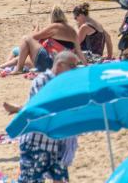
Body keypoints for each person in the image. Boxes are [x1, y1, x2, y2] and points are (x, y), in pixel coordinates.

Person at [12, 51, 81, 183]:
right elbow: (44, 108)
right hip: (36, 144)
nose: (75, 70)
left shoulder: (66, 85)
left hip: (58, 145)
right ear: (60, 65)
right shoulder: (42, 81)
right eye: (72, 66)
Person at [7, 6, 84, 72]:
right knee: (17, 52)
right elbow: (78, 50)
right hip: (63, 65)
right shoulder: (72, 30)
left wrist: (36, 27)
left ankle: (17, 69)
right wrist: (85, 64)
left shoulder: (54, 27)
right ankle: (6, 67)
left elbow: (33, 37)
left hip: (50, 62)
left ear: (52, 17)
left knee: (25, 39)